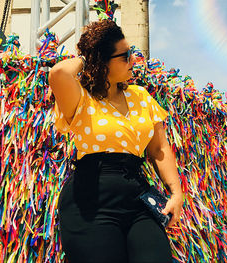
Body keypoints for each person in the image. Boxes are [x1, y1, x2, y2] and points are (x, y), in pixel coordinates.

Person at [49, 20, 183, 263]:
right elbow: (58, 73)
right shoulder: (80, 96)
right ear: (102, 62)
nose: (134, 60)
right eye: (125, 56)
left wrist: (176, 193)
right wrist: (89, 57)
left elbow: (159, 148)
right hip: (90, 200)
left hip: (136, 195)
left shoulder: (141, 96)